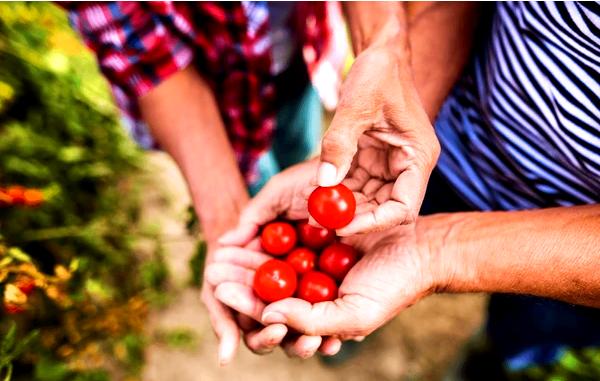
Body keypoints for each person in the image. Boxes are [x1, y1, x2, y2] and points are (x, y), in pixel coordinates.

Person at [208, 1, 600, 377]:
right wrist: (398, 115)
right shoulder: (391, 176)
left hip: (576, 250)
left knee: (540, 320)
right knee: (375, 245)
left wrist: (436, 251)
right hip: (438, 148)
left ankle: (498, 357)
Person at [62, 1, 347, 366]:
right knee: (258, 189)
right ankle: (268, 221)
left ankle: (300, 231)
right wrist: (223, 214)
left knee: (300, 153)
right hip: (214, 96)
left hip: (301, 54)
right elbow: (139, 49)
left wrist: (383, 48)